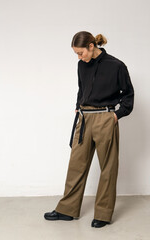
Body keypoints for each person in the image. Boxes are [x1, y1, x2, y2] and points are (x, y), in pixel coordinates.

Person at [44, 31, 134, 228]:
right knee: (76, 164)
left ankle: (103, 214)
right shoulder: (81, 65)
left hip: (105, 118)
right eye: (76, 54)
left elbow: (128, 96)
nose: (79, 57)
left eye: (80, 53)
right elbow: (81, 88)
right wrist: (79, 105)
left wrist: (115, 116)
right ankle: (67, 209)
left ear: (91, 46)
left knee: (108, 168)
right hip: (84, 118)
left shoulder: (116, 66)